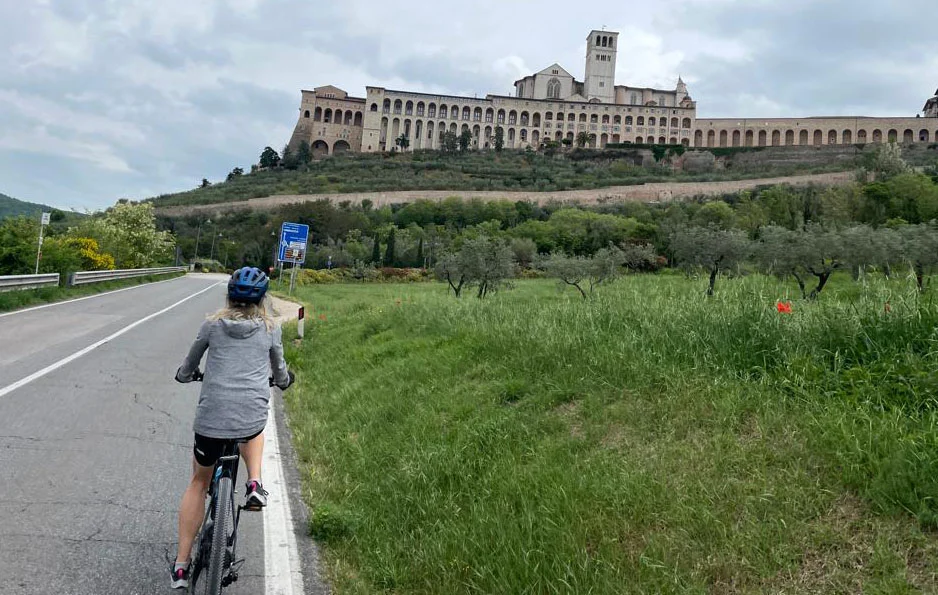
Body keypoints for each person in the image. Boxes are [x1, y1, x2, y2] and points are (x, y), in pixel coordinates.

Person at [169, 266, 294, 589]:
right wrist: (283, 381)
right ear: (263, 299)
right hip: (249, 413)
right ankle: (254, 483)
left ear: (229, 296)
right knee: (254, 427)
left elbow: (189, 363)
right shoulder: (269, 329)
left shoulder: (212, 325)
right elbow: (279, 369)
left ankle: (182, 567)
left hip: (211, 419)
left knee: (198, 482)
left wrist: (185, 376)